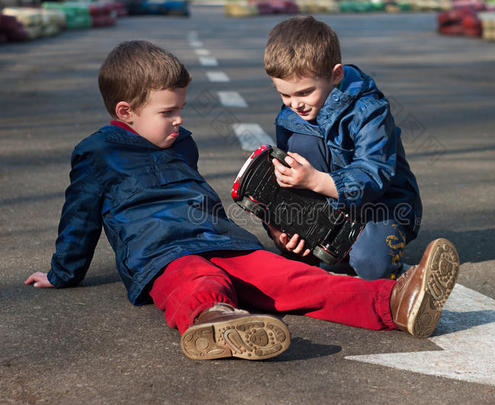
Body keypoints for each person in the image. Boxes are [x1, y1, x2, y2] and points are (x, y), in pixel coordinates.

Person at [24, 40, 460, 362]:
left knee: (293, 280)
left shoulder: (182, 144)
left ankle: (393, 303)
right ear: (126, 112)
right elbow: (79, 218)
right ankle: (214, 320)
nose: (179, 120)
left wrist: (268, 227)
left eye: (181, 109)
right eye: (167, 113)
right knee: (194, 280)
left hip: (221, 239)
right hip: (159, 253)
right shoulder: (97, 153)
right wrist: (63, 273)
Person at [264, 16, 424, 280]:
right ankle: (332, 242)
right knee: (296, 252)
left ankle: (385, 254)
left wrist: (315, 180)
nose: (294, 103)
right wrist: (277, 226)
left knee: (372, 265)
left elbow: (375, 174)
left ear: (335, 75)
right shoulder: (291, 113)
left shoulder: (369, 110)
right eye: (284, 94)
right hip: (327, 206)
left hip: (381, 206)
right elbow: (284, 180)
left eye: (304, 93)